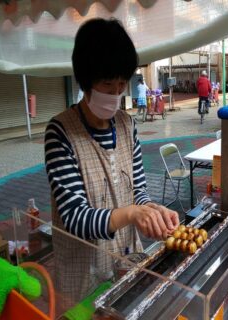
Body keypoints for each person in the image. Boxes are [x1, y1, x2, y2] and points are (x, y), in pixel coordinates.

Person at [44, 18, 179, 308]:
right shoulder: (61, 132)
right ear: (85, 79)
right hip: (83, 277)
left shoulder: (127, 125)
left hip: (126, 265)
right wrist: (131, 214)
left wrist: (152, 210)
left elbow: (138, 191)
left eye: (121, 84)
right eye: (107, 83)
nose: (115, 94)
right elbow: (75, 217)